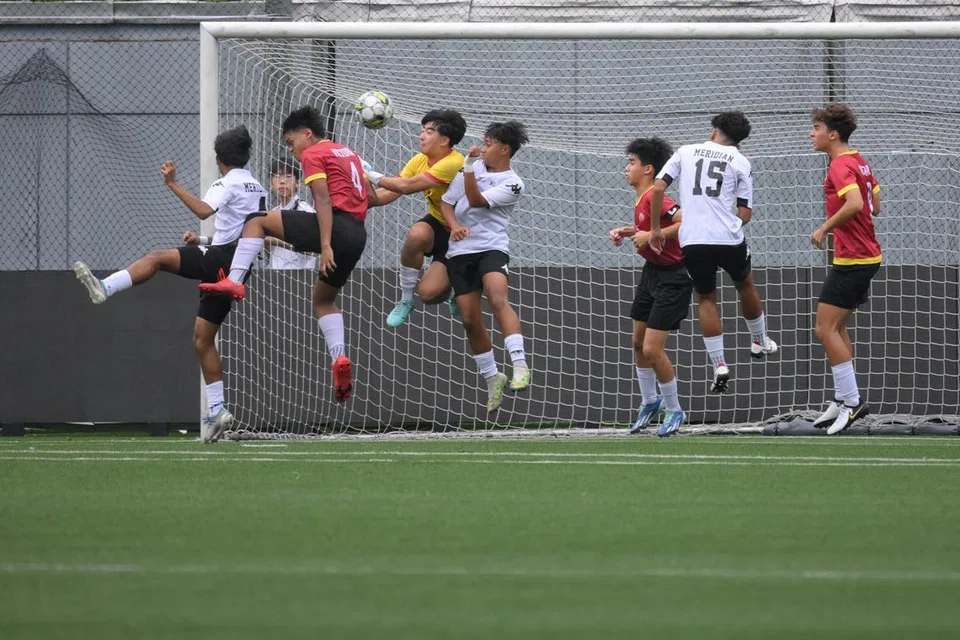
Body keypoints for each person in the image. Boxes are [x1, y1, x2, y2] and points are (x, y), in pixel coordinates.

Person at [72, 125, 267, 443]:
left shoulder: (225, 182)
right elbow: (242, 230)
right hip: (237, 266)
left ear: (218, 159)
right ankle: (218, 409)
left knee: (158, 257)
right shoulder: (257, 187)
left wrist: (173, 183)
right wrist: (201, 239)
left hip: (220, 261)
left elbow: (205, 209)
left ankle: (105, 287)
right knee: (203, 339)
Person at [200, 106, 368, 404]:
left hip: (335, 229)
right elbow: (371, 196)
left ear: (307, 133)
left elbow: (323, 199)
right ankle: (339, 358)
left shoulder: (313, 154)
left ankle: (234, 281)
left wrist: (325, 244)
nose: (292, 151)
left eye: (291, 143)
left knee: (257, 220)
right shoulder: (347, 152)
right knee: (324, 300)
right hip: (357, 234)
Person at [648, 111, 778, 394]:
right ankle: (759, 340)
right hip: (728, 239)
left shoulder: (685, 151)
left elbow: (658, 186)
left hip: (693, 240)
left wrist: (657, 229)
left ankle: (719, 364)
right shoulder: (741, 161)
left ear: (714, 130)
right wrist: (730, 222)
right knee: (745, 284)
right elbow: (746, 213)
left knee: (706, 298)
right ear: (739, 141)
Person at [440, 121, 530, 413]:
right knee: (469, 320)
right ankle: (493, 378)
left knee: (497, 296)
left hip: (491, 247)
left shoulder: (513, 182)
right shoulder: (473, 168)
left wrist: (468, 165)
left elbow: (477, 201)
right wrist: (453, 226)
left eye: (489, 143)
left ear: (504, 149)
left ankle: (519, 365)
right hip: (459, 251)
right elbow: (447, 203)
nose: (483, 147)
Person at [609, 138, 692, 437]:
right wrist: (630, 231)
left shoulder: (657, 198)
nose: (626, 168)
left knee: (652, 348)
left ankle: (674, 409)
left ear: (647, 169)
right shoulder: (641, 199)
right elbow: (649, 231)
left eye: (631, 162)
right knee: (637, 342)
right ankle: (649, 402)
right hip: (652, 274)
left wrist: (649, 236)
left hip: (674, 277)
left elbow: (686, 221)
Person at [808, 103, 882, 435]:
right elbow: (875, 205)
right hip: (863, 256)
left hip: (853, 260)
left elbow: (854, 204)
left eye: (817, 128)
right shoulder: (859, 162)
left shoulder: (839, 165)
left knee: (824, 330)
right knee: (836, 329)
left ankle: (851, 402)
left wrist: (825, 228)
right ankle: (843, 399)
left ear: (832, 134)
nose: (812, 133)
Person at [365, 110, 467, 327]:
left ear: (445, 140)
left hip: (464, 236)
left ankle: (457, 287)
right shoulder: (420, 159)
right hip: (439, 224)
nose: (422, 136)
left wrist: (370, 174)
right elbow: (392, 192)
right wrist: (366, 195)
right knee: (416, 235)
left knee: (429, 294)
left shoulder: (454, 162)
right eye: (423, 130)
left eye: (429, 131)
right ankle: (406, 299)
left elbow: (406, 187)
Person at [264, 158, 317, 270]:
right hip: (274, 276)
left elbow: (312, 249)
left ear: (297, 183)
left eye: (288, 176)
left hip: (300, 276)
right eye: (277, 176)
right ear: (271, 184)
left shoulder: (306, 211)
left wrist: (270, 239)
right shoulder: (272, 213)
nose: (282, 181)